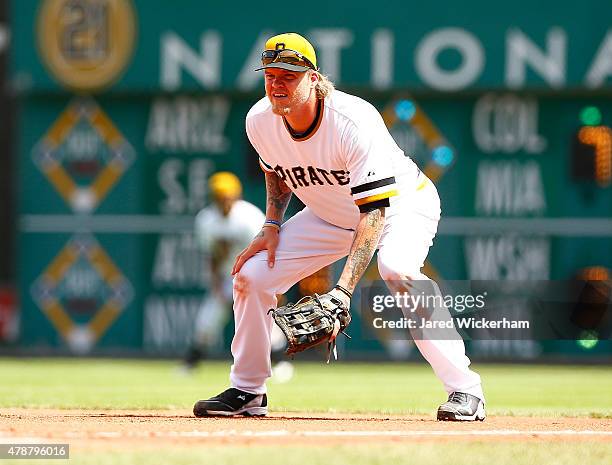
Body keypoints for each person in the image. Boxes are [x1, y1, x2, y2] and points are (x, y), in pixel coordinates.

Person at [193, 33, 485, 421]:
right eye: (271, 75)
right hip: (329, 213)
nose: (277, 84)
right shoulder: (260, 120)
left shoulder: (351, 120)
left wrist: (343, 290)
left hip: (399, 204)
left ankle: (466, 390)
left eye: (289, 75)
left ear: (314, 78)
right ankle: (248, 390)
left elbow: (374, 213)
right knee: (251, 276)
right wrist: (272, 222)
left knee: (397, 270)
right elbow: (276, 172)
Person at [184, 171, 291, 380]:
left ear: (235, 196)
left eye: (226, 196)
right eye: (219, 196)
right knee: (208, 319)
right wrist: (215, 283)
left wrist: (272, 283)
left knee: (264, 321)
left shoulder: (249, 217)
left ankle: (281, 361)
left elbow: (267, 250)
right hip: (227, 277)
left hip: (252, 275)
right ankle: (191, 362)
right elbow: (211, 256)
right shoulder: (206, 219)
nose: (223, 201)